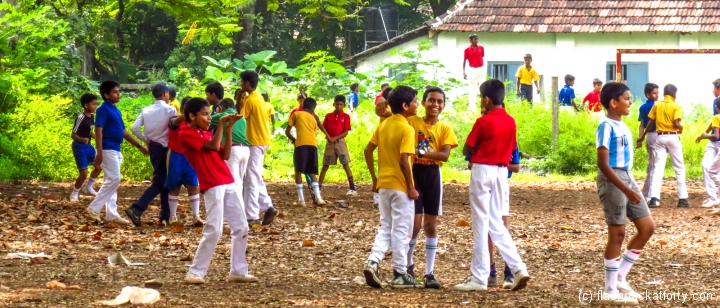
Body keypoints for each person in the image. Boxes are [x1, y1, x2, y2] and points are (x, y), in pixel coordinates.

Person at [454, 79, 530, 292]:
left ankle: (479, 277)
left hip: (482, 170)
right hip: (501, 173)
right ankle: (517, 267)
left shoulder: (483, 121)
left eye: (481, 98)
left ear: (486, 99)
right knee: (496, 222)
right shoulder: (511, 121)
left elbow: (466, 149)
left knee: (481, 223)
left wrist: (475, 150)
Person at [180, 98, 258, 285]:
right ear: (192, 116)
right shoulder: (186, 132)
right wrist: (221, 123)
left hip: (227, 179)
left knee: (241, 226)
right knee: (214, 228)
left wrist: (229, 129)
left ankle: (238, 271)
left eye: (210, 114)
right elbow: (215, 147)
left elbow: (224, 154)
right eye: (205, 114)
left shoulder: (205, 134)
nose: (209, 118)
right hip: (212, 182)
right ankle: (195, 272)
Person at [594, 82, 654, 305]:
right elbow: (603, 163)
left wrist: (630, 184)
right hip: (613, 180)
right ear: (613, 102)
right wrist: (626, 189)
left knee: (647, 227)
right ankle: (609, 290)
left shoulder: (623, 125)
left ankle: (620, 277)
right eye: (627, 98)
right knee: (617, 233)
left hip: (627, 176)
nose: (630, 102)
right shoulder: (606, 126)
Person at [363, 86, 419, 289]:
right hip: (400, 186)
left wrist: (374, 178)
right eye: (414, 101)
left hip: (384, 185)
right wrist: (411, 187)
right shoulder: (407, 129)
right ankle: (400, 273)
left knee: (386, 226)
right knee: (402, 229)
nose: (417, 104)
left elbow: (368, 150)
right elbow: (405, 160)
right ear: (405, 106)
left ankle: (373, 261)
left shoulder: (384, 125)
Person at [405, 86, 458, 289]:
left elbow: (444, 155)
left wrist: (419, 151)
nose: (435, 104)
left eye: (439, 101)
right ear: (424, 102)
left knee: (431, 225)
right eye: (431, 100)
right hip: (414, 173)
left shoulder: (445, 129)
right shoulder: (413, 121)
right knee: (415, 224)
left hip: (433, 175)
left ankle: (429, 272)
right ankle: (408, 265)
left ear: (443, 105)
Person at [85, 81, 149, 225]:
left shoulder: (116, 110)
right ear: (106, 95)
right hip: (107, 148)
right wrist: (99, 151)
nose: (118, 94)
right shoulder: (103, 109)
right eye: (115, 92)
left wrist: (139, 146)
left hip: (116, 148)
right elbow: (98, 130)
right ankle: (93, 208)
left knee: (111, 181)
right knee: (115, 179)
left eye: (118, 91)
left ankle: (112, 214)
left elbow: (123, 131)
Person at [125, 82, 176, 226]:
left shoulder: (146, 110)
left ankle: (164, 215)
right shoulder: (170, 110)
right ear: (165, 94)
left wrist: (146, 139)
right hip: (165, 149)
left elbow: (134, 127)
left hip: (153, 147)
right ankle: (137, 208)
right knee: (160, 182)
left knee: (163, 181)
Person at [237, 70, 278, 226]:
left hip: (255, 142)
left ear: (247, 83)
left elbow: (240, 118)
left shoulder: (250, 101)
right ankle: (267, 206)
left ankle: (252, 215)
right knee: (254, 175)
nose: (241, 85)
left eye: (242, 82)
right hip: (263, 140)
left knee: (251, 179)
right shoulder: (259, 98)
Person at [638, 84, 689, 208]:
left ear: (664, 94)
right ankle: (682, 198)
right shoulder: (676, 106)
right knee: (679, 167)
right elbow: (676, 123)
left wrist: (642, 135)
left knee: (657, 168)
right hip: (672, 137)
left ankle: (654, 198)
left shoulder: (657, 105)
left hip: (660, 137)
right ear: (674, 95)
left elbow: (650, 122)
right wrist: (681, 128)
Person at [285, 97, 330, 206]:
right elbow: (313, 132)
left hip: (301, 145)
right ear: (313, 109)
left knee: (298, 171)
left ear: (303, 104)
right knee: (312, 172)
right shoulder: (314, 119)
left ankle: (301, 200)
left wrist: (294, 140)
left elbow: (287, 131)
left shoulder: (296, 114)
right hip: (312, 145)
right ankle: (318, 198)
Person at [166, 97, 203, 226]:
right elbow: (174, 123)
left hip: (190, 157)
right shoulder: (174, 119)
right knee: (174, 186)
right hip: (176, 156)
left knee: (194, 186)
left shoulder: (196, 123)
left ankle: (196, 216)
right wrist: (186, 114)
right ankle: (173, 216)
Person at [319, 95, 357, 197]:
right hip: (330, 143)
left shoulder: (346, 117)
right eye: (337, 104)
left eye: (341, 104)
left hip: (340, 142)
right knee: (325, 165)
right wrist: (329, 137)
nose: (339, 106)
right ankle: (318, 188)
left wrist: (334, 138)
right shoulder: (328, 116)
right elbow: (324, 128)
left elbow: (345, 132)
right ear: (334, 104)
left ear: (344, 105)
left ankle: (352, 188)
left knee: (345, 164)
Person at [212, 98, 250, 194]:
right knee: (240, 181)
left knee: (232, 180)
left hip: (233, 149)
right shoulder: (241, 117)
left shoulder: (222, 116)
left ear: (221, 108)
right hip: (245, 149)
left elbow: (207, 123)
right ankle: (240, 205)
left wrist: (217, 114)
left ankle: (235, 207)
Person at [70, 93, 103, 202]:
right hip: (79, 147)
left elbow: (90, 132)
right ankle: (74, 193)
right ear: (86, 105)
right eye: (93, 104)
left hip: (88, 147)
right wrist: (82, 139)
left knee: (99, 166)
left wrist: (98, 137)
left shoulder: (92, 117)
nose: (95, 106)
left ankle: (88, 187)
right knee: (83, 173)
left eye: (96, 104)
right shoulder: (81, 117)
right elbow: (73, 134)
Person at [635, 83, 659, 201]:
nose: (657, 95)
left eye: (657, 93)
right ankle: (649, 194)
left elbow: (642, 125)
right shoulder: (657, 106)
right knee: (654, 166)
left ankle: (646, 192)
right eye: (654, 93)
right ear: (648, 94)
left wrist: (641, 138)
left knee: (652, 164)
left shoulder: (643, 107)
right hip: (656, 135)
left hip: (649, 136)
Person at [697, 98, 720, 211]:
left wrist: (704, 136)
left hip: (717, 142)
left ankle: (717, 198)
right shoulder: (716, 103)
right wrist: (704, 134)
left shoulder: (717, 104)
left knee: (713, 170)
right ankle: (712, 197)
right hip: (713, 143)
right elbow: (713, 124)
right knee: (706, 166)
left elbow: (716, 135)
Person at [463, 34, 485, 110]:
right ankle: (472, 108)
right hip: (472, 69)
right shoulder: (467, 50)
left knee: (483, 87)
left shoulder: (481, 48)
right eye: (475, 39)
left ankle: (484, 105)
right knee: (472, 88)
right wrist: (464, 72)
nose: (476, 41)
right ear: (470, 40)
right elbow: (464, 61)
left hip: (480, 68)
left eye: (477, 39)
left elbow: (481, 57)